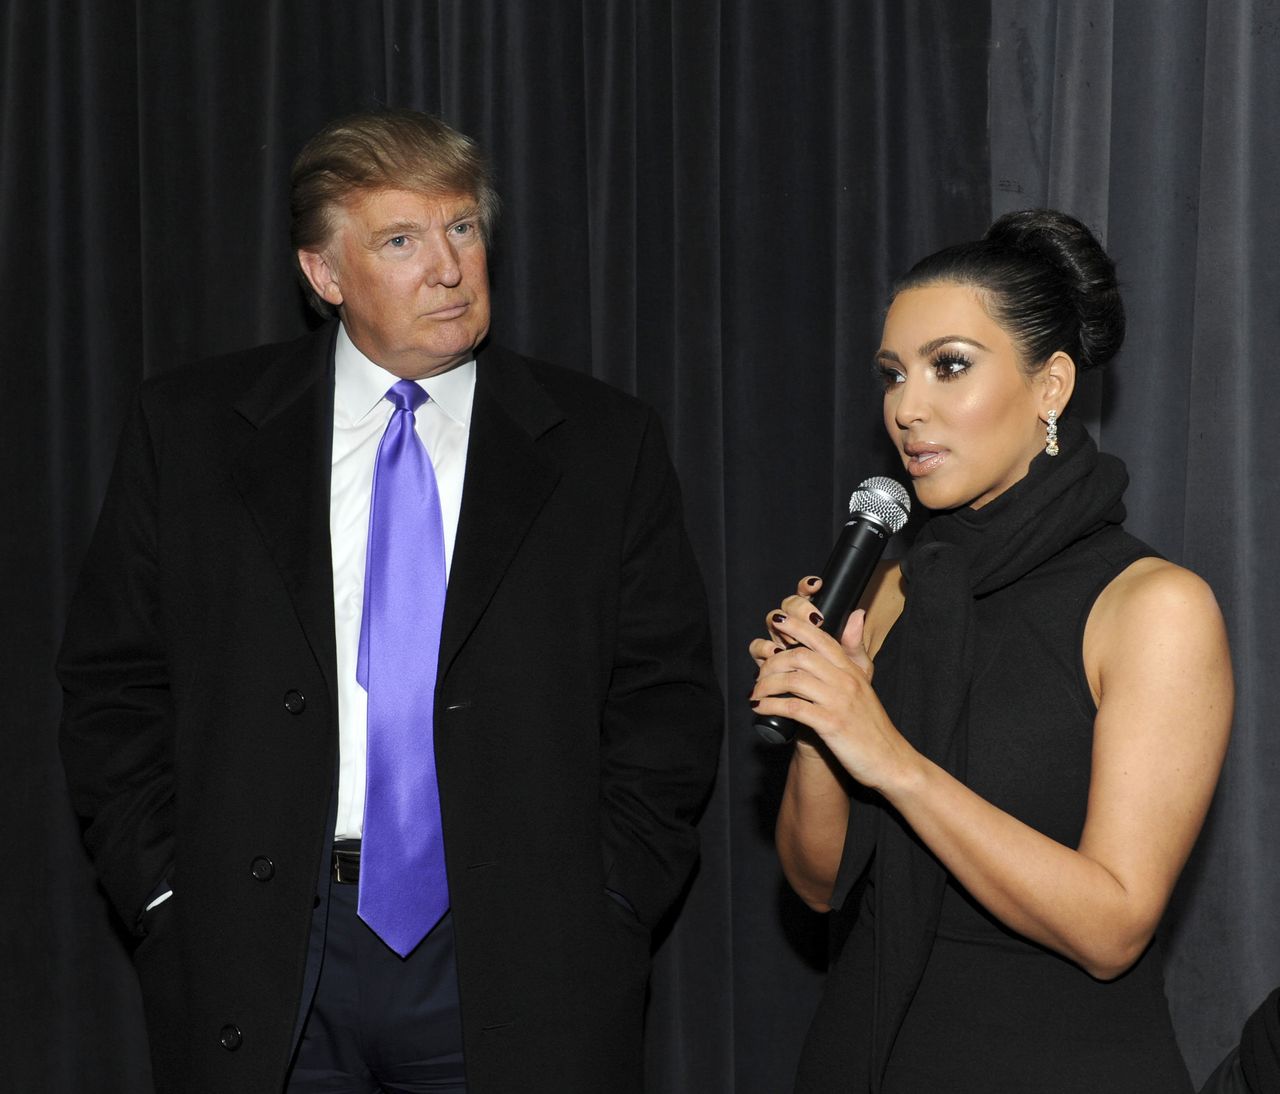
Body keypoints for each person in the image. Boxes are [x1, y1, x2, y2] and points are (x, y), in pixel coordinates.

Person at [58, 108, 722, 1094]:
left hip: (515, 951)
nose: (448, 267)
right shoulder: (192, 432)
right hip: (268, 946)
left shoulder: (598, 442)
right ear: (324, 275)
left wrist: (612, 896)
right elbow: (114, 682)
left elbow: (664, 697)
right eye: (401, 240)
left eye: (461, 228)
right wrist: (161, 891)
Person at [749, 209, 1233, 1092]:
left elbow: (1112, 927)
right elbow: (819, 888)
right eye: (893, 374)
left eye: (950, 366)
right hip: (865, 1057)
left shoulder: (1153, 606)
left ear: (1051, 388)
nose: (906, 407)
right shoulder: (895, 588)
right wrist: (823, 718)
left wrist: (890, 758)